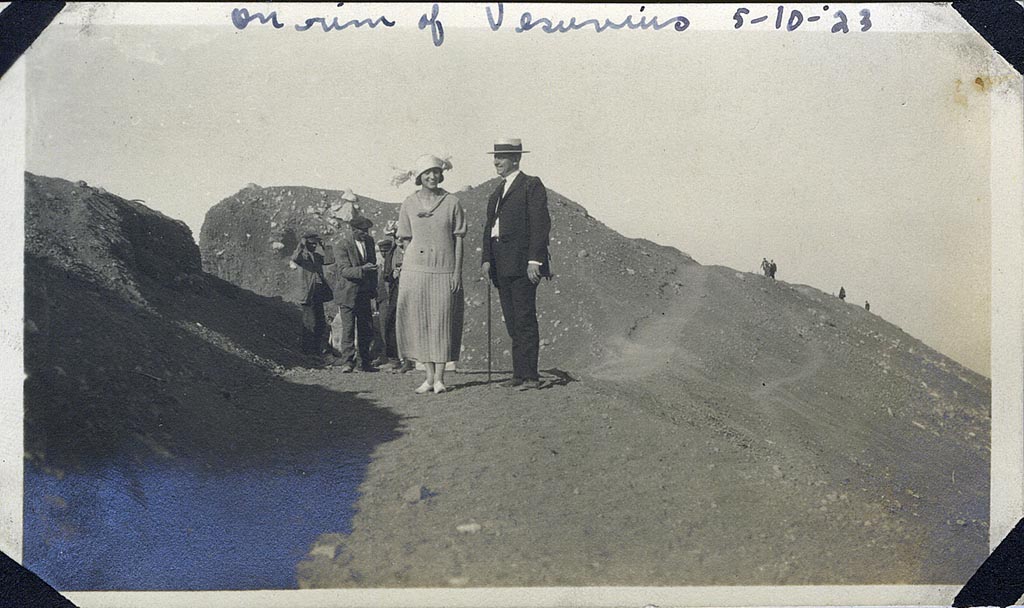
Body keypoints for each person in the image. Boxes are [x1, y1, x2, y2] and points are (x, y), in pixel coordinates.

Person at [481, 138, 552, 391]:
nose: (496, 162)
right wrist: (487, 259)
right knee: (512, 320)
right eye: (495, 157)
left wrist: (535, 260)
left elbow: (540, 224)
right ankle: (519, 374)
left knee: (524, 318)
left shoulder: (531, 185)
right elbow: (489, 228)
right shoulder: (496, 192)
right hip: (501, 265)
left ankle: (531, 377)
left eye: (501, 157)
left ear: (516, 159)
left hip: (523, 264)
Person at [395, 154, 467, 394]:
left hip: (444, 270)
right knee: (421, 322)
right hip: (416, 271)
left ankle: (440, 378)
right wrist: (411, 264)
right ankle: (427, 377)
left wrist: (457, 271)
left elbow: (459, 239)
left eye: (436, 172)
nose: (432, 176)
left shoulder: (452, 202)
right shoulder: (409, 203)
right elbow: (405, 238)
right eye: (427, 173)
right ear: (419, 177)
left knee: (442, 322)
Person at [333, 214, 379, 373]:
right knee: (348, 328)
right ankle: (347, 362)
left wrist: (373, 289)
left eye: (367, 230)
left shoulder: (370, 243)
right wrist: (362, 270)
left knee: (366, 328)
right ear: (353, 230)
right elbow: (344, 270)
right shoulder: (342, 245)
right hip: (347, 294)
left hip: (364, 293)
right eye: (362, 230)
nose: (366, 233)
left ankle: (364, 363)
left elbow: (372, 266)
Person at [372, 221, 414, 372]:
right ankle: (394, 358)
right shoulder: (392, 252)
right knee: (391, 322)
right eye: (396, 236)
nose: (398, 239)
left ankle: (409, 360)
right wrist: (393, 274)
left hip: (411, 291)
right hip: (396, 292)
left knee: (408, 323)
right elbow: (386, 275)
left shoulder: (413, 250)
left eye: (400, 236)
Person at [290, 231, 336, 361]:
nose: (314, 246)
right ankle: (307, 351)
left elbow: (330, 259)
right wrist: (301, 244)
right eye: (311, 244)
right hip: (307, 294)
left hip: (318, 293)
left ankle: (316, 349)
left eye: (315, 244)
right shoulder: (302, 257)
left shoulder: (316, 256)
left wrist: (325, 246)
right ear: (306, 243)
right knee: (310, 322)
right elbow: (294, 258)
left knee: (320, 322)